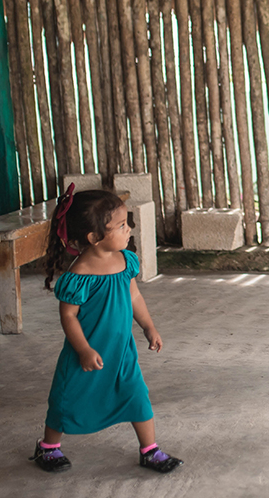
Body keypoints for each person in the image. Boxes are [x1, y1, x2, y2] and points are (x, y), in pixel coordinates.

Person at [31, 186, 181, 474]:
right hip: (87, 353)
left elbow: (134, 297)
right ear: (94, 237)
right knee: (66, 399)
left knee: (137, 396)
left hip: (122, 351)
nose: (129, 229)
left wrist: (149, 327)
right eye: (121, 225)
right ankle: (48, 446)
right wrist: (84, 350)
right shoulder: (79, 275)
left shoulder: (125, 260)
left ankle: (149, 450)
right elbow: (69, 317)